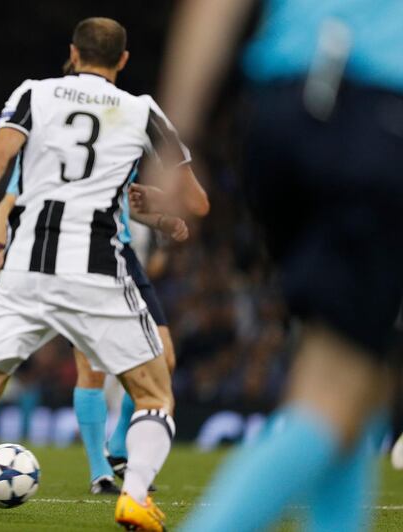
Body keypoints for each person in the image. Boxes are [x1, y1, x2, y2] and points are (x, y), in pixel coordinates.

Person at [0, 18, 208, 530]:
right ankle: (135, 495)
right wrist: (156, 199)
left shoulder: (35, 94)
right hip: (96, 267)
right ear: (122, 60)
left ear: (73, 54)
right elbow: (197, 202)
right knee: (154, 394)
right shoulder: (143, 111)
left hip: (25, 266)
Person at [154, 1, 403, 530]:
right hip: (379, 112)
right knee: (335, 394)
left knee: (355, 379)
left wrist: (180, 138)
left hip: (278, 114)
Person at [0, 158, 190, 495]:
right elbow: (13, 202)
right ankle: (101, 472)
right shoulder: (49, 147)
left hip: (123, 257)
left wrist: (161, 221)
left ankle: (120, 444)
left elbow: (125, 202)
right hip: (75, 256)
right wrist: (4, 245)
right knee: (91, 366)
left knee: (162, 358)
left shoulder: (120, 142)